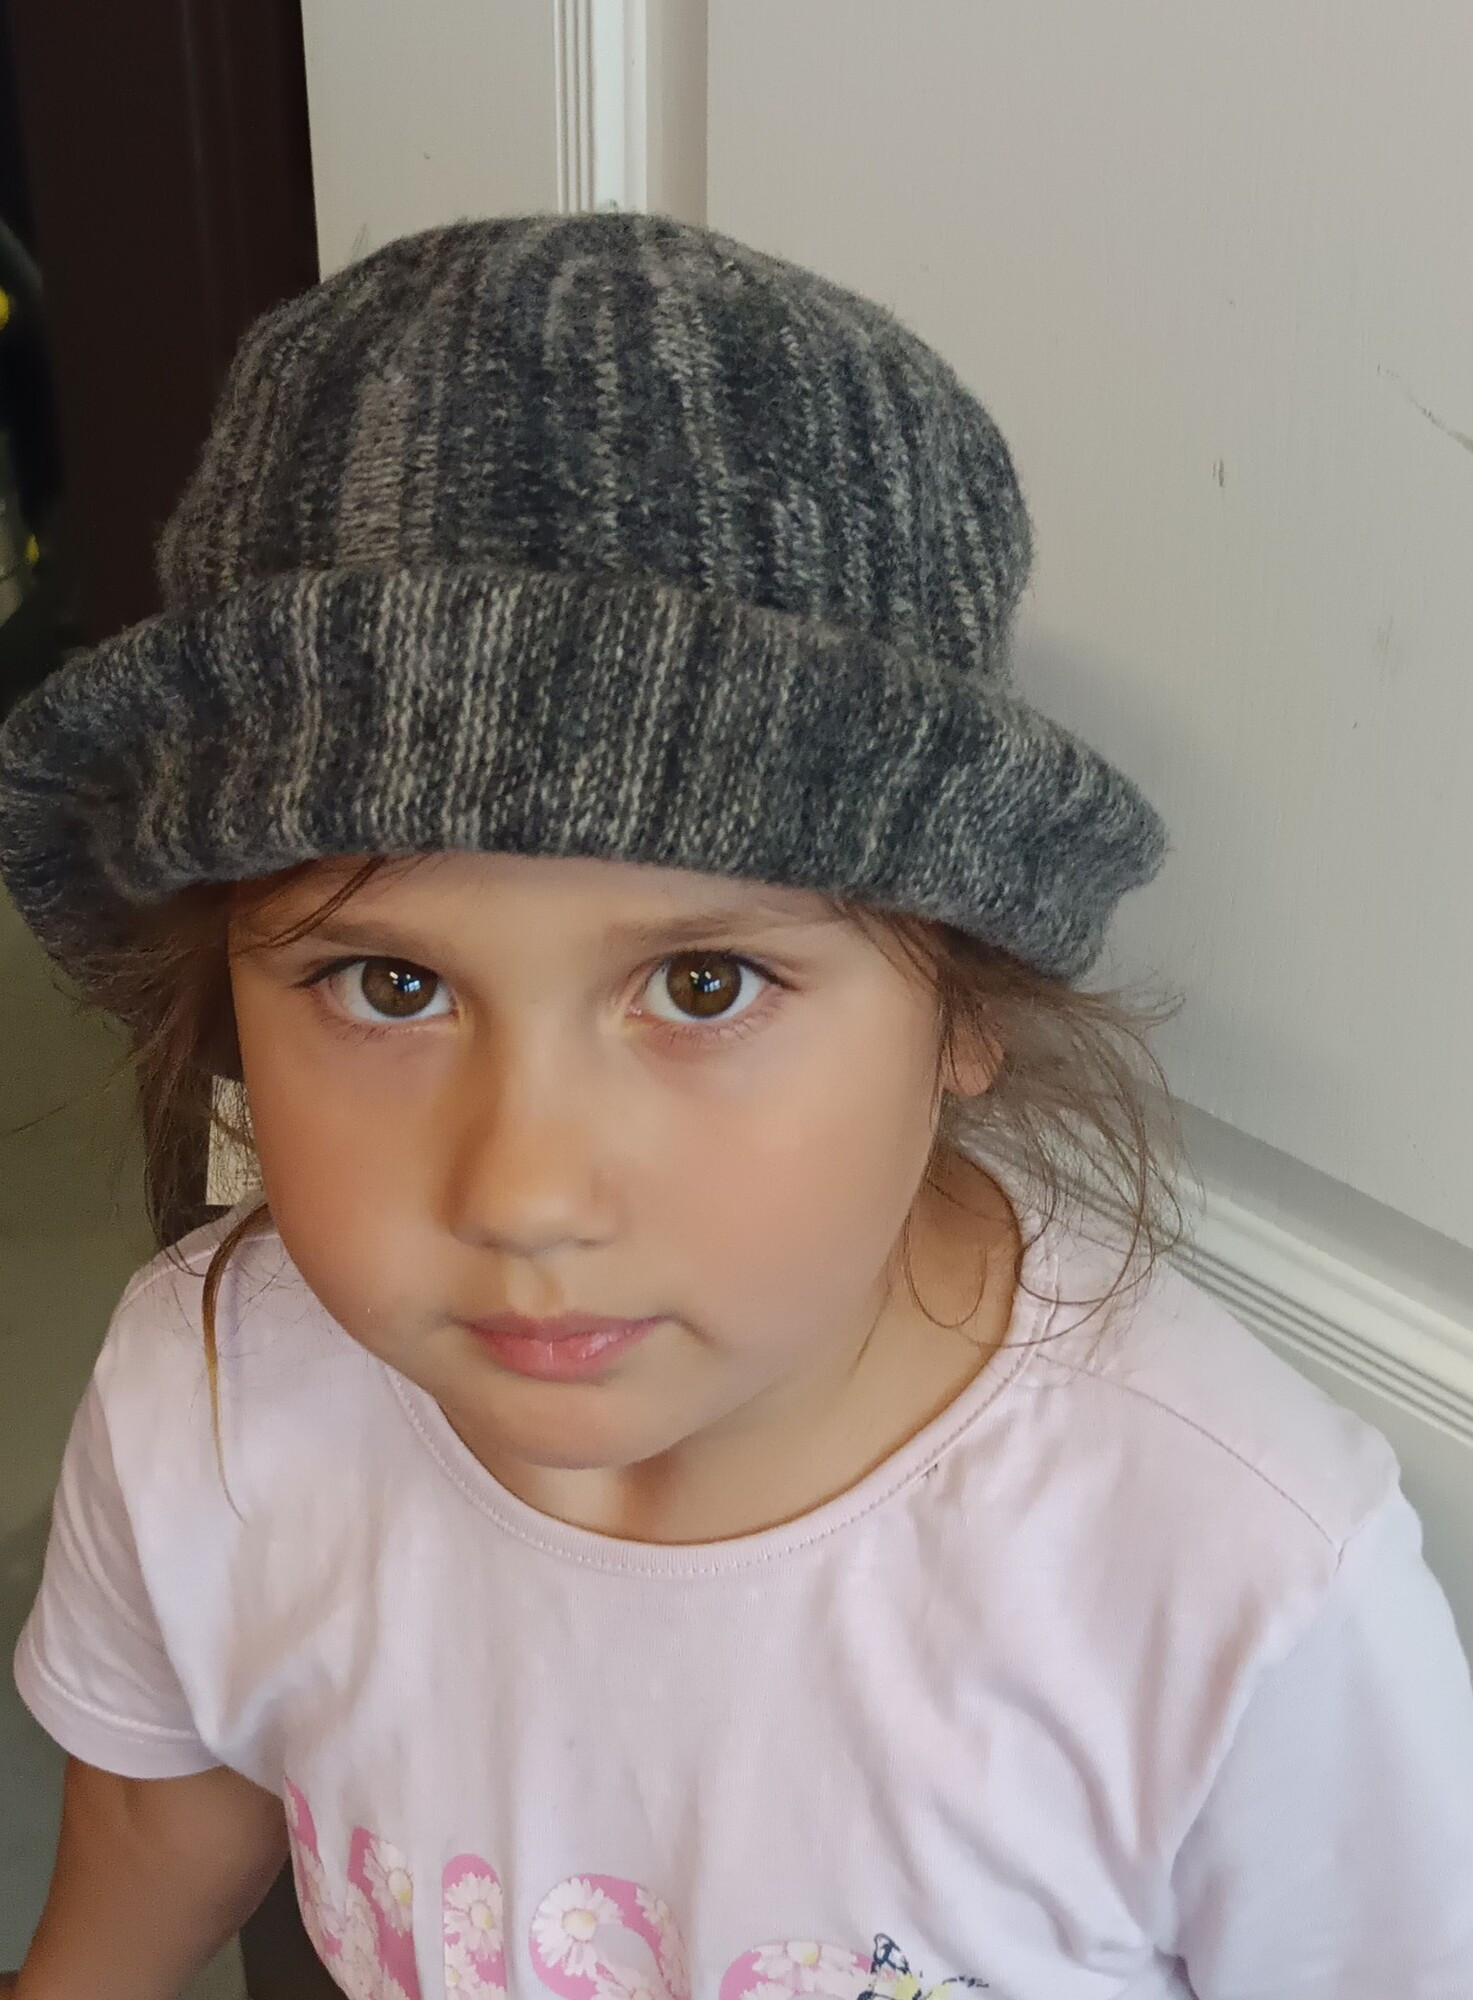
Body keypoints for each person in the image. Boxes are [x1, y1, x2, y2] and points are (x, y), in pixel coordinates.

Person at [1, 212, 1470, 2000]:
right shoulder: (215, 1396)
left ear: (962, 1003)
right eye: (387, 985)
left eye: (703, 985)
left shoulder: (1234, 1580)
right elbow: (161, 1825)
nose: (526, 1191)